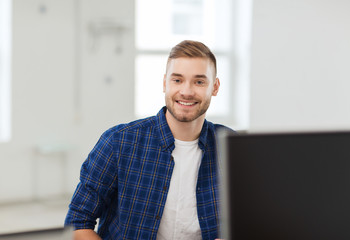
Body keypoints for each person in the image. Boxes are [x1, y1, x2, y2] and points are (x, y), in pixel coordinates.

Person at [65, 40, 233, 240]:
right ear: (165, 83)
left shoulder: (232, 147)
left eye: (199, 81)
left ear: (215, 87)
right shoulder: (119, 142)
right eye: (177, 80)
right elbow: (77, 222)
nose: (186, 91)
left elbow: (255, 218)